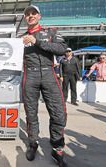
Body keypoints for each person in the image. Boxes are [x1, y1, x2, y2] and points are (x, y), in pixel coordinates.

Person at [21, 5, 67, 167]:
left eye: (33, 13)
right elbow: (3, 50)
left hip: (49, 73)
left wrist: (37, 41)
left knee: (58, 112)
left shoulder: (51, 32)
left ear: (39, 16)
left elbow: (62, 49)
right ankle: (33, 143)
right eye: (27, 14)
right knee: (31, 113)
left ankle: (57, 148)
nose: (30, 16)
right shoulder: (20, 37)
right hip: (29, 75)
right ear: (25, 18)